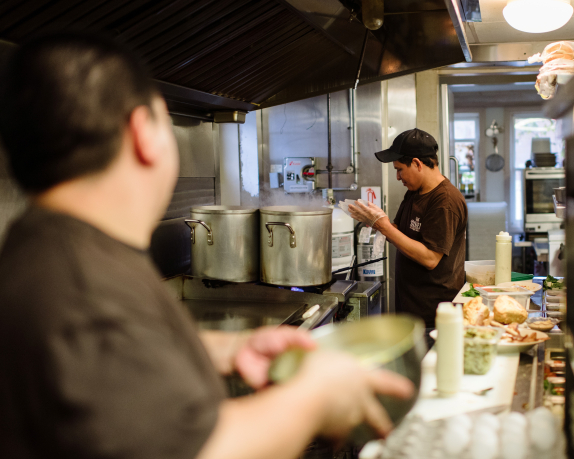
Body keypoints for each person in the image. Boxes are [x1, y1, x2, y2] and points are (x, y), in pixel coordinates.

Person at [0, 34, 412, 459]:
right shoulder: (81, 283)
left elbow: (102, 365)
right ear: (143, 132)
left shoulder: (52, 247)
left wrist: (225, 349)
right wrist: (316, 394)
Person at [349, 129, 467, 328]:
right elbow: (401, 232)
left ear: (417, 164)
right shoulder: (414, 192)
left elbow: (431, 258)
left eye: (399, 169)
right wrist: (375, 220)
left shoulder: (445, 201)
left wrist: (385, 227)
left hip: (434, 314)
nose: (397, 177)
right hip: (411, 307)